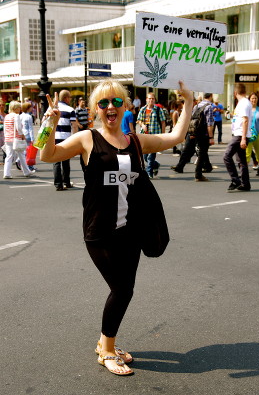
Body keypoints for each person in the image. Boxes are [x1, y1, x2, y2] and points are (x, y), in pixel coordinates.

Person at [40, 78, 193, 376]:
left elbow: (176, 136)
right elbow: (48, 155)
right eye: (103, 103)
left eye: (116, 102)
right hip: (99, 231)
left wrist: (188, 102)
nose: (111, 107)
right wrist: (48, 125)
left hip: (131, 230)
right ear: (96, 109)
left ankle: (105, 343)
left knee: (126, 289)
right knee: (121, 290)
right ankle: (106, 349)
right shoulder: (87, 139)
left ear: (125, 106)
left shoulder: (135, 140)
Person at [173, 93, 214, 180]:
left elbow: (191, 119)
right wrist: (211, 137)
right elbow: (209, 123)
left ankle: (180, 166)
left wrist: (191, 133)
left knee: (189, 149)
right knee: (202, 152)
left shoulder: (197, 106)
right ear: (211, 96)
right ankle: (198, 174)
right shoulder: (209, 106)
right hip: (203, 133)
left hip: (194, 131)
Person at [224, 83, 252, 192]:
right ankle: (245, 184)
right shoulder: (242, 103)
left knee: (227, 156)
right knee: (241, 160)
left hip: (240, 135)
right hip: (239, 134)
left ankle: (235, 180)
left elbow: (245, 120)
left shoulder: (244, 103)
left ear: (235, 93)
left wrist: (244, 138)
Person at [3, 101, 35, 179]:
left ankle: (6, 173)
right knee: (22, 155)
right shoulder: (16, 116)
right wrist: (22, 135)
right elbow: (19, 128)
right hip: (16, 139)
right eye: (19, 107)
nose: (20, 109)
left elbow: (5, 128)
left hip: (8, 138)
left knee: (9, 156)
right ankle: (26, 172)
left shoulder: (7, 116)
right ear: (16, 108)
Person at [137, 92, 166, 178]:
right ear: (146, 99)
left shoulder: (158, 109)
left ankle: (149, 173)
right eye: (149, 99)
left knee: (151, 156)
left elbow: (163, 122)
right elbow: (139, 120)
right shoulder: (143, 109)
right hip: (145, 135)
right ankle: (156, 165)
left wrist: (163, 134)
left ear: (154, 100)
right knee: (145, 156)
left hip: (155, 135)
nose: (151, 100)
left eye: (152, 99)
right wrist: (142, 125)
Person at [53, 90, 77, 191]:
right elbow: (74, 126)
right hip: (66, 138)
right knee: (66, 160)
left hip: (54, 138)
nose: (70, 99)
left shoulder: (52, 108)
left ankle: (58, 184)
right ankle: (66, 181)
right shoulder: (70, 109)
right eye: (70, 97)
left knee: (56, 161)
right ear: (66, 98)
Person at [246, 92, 259, 176]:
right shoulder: (246, 109)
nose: (254, 100)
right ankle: (244, 169)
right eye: (252, 98)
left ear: (258, 99)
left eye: (255, 98)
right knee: (247, 152)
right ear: (249, 99)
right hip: (248, 134)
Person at [21, 102, 35, 171]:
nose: (32, 108)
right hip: (28, 135)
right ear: (28, 108)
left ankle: (21, 162)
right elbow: (30, 128)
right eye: (31, 107)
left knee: (24, 150)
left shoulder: (20, 116)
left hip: (22, 134)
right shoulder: (29, 116)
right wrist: (32, 138)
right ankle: (30, 166)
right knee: (29, 151)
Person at [0, 98, 6, 164]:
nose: (2, 106)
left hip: (5, 132)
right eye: (0, 105)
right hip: (0, 132)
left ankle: (5, 159)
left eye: (3, 105)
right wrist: (3, 122)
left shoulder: (5, 114)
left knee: (5, 146)